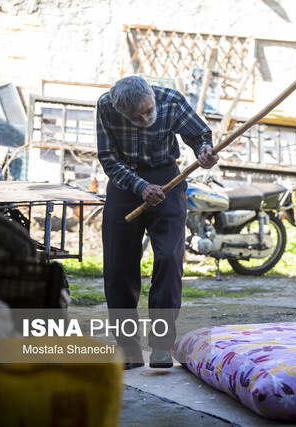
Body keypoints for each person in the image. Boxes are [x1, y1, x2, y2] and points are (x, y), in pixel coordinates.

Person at [96, 76, 218, 369]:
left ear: (152, 95)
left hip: (167, 179)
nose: (145, 119)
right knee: (119, 265)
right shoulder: (105, 106)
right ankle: (129, 348)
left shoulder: (171, 100)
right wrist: (139, 187)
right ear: (119, 109)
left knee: (168, 258)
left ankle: (162, 347)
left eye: (148, 111)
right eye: (136, 117)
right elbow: (109, 158)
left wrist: (204, 151)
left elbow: (200, 134)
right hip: (125, 184)